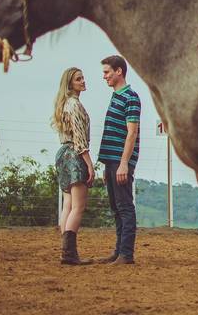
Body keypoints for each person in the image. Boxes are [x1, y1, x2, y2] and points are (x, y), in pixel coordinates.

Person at [97, 55, 141, 264]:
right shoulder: (116, 96)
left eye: (107, 72)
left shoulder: (130, 97)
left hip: (120, 161)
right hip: (111, 161)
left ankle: (126, 254)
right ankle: (118, 251)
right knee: (116, 207)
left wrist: (124, 163)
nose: (104, 76)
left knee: (124, 206)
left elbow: (131, 133)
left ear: (119, 71)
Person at [52, 67, 94, 265]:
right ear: (70, 84)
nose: (83, 81)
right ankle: (69, 253)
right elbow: (79, 139)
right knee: (78, 206)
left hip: (62, 153)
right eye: (79, 79)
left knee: (67, 205)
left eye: (83, 78)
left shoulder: (64, 105)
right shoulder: (74, 105)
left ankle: (66, 250)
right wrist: (90, 165)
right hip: (74, 155)